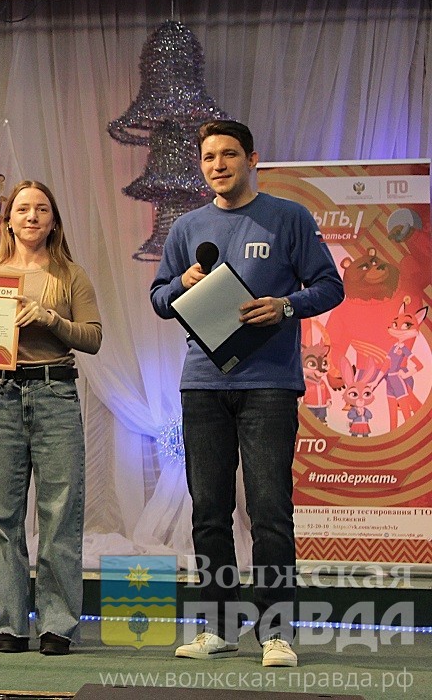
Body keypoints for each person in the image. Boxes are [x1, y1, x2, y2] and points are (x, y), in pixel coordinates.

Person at [150, 119, 345, 668]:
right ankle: (218, 628)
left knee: (269, 512)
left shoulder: (289, 217)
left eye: (229, 154)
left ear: (252, 159)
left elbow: (330, 285)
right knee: (209, 512)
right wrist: (181, 285)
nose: (218, 165)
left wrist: (285, 305)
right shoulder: (187, 226)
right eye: (209, 157)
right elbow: (159, 297)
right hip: (203, 385)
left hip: (269, 385)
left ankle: (275, 632)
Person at [0, 181, 102, 655]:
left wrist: (49, 318)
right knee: (0, 514)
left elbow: (93, 338)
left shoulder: (70, 275)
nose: (32, 216)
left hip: (56, 393)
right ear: (8, 220)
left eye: (41, 209)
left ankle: (57, 625)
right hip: (2, 396)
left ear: (53, 221)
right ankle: (11, 623)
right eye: (22, 209)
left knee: (60, 513)